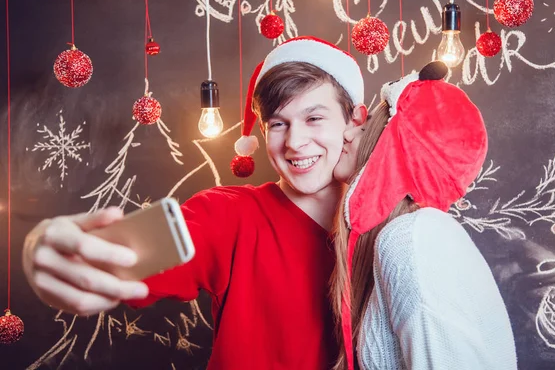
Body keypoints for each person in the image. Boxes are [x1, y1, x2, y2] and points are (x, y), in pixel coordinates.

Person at [21, 36, 369, 370]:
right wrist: (49, 249)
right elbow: (120, 258)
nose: (295, 141)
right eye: (278, 124)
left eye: (314, 118)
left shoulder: (393, 225)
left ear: (354, 121)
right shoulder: (229, 215)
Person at [329, 61, 518, 370]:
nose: (347, 134)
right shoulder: (417, 233)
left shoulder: (413, 239)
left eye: (365, 128)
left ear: (395, 146)